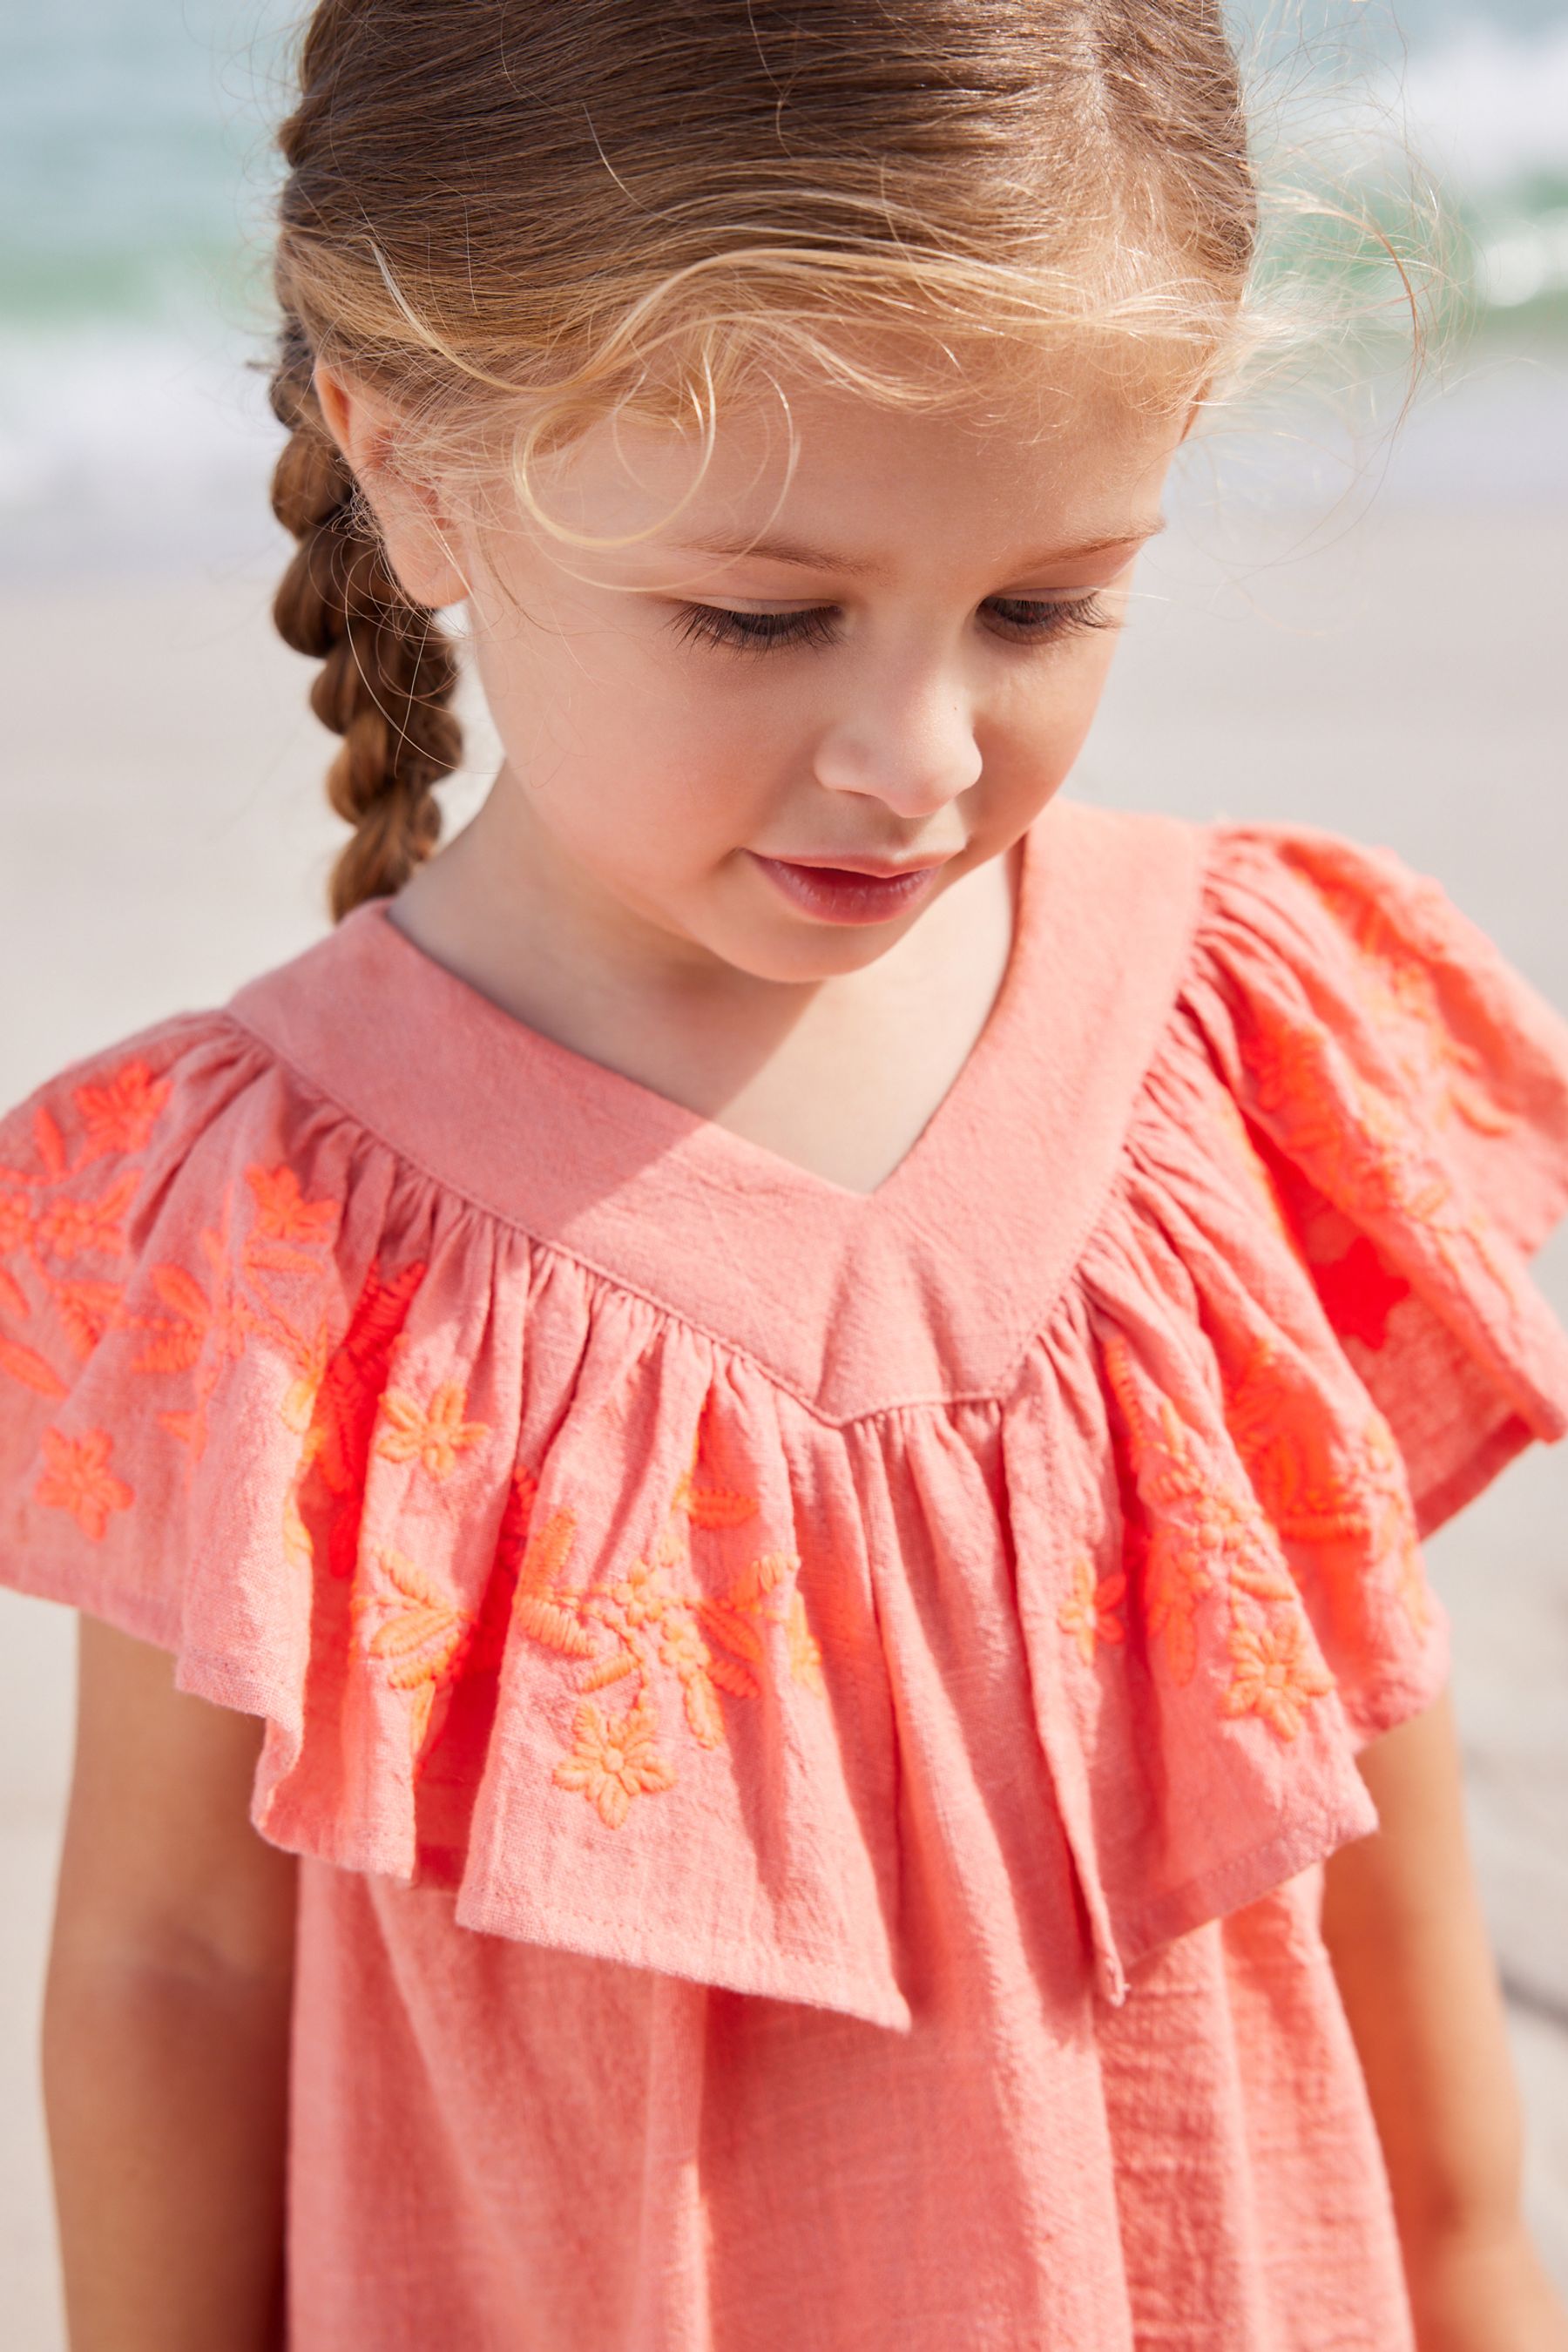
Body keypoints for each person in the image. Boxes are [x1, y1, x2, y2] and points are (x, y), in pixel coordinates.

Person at [4, 3, 1568, 2346]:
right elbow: (167, 1960)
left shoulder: (1231, 1049)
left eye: (1041, 606)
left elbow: (1364, 1838)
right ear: (412, 465)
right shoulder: (272, 1223)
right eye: (763, 615)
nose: (918, 752)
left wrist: (1479, 2287)